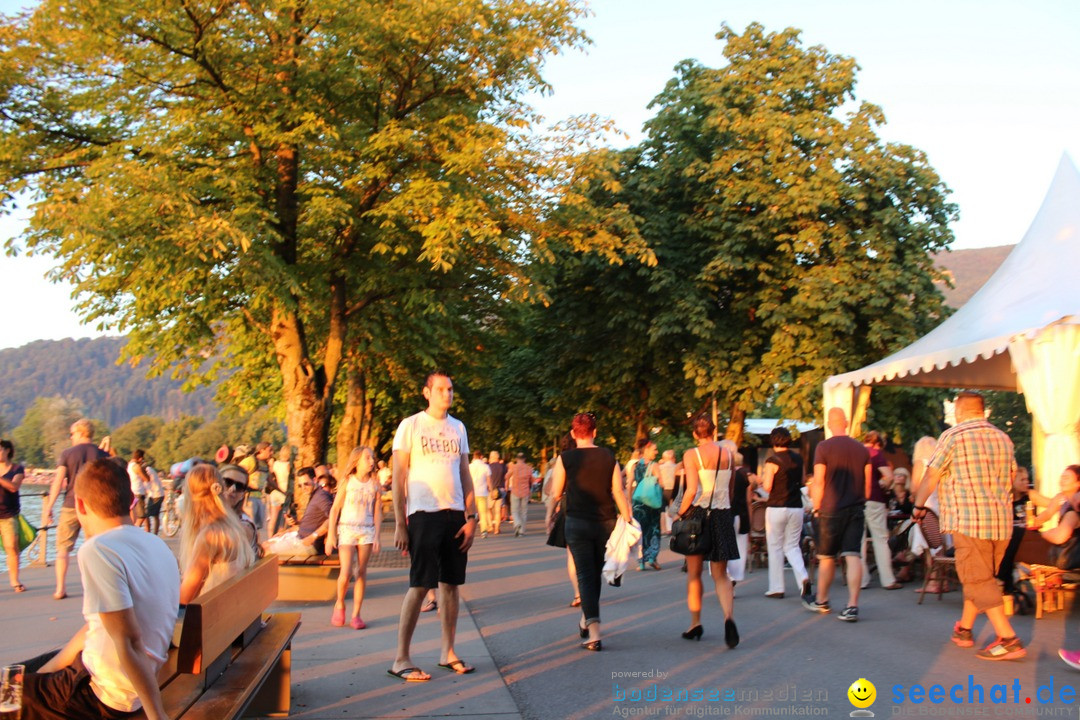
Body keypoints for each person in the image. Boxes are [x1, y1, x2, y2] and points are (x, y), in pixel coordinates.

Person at [22, 459, 179, 720]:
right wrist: (46, 671)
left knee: (9, 693)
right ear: (131, 499)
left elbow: (129, 640)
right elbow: (99, 627)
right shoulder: (157, 545)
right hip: (120, 678)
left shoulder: (98, 550)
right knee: (22, 672)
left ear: (80, 505)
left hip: (102, 695)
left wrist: (157, 715)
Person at [913, 391, 1023, 660]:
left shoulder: (953, 436)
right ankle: (964, 629)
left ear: (959, 411)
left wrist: (918, 505)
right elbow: (1012, 478)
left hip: (968, 521)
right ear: (983, 411)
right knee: (982, 578)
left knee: (976, 578)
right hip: (1000, 522)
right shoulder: (1003, 438)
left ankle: (1008, 639)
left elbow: (932, 474)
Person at [389, 371, 479, 681]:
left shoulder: (458, 428)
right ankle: (401, 658)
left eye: (451, 389)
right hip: (423, 514)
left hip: (454, 514)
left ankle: (447, 651)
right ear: (426, 392)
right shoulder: (410, 426)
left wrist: (472, 517)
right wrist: (400, 523)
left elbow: (465, 474)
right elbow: (398, 476)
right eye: (440, 389)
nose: (447, 394)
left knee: (451, 585)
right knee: (419, 584)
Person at [547, 412, 632, 652]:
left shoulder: (566, 458)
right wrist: (627, 517)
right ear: (595, 432)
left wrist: (548, 516)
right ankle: (587, 619)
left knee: (585, 574)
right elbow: (618, 491)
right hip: (604, 522)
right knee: (594, 574)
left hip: (576, 522)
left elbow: (556, 492)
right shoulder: (609, 456)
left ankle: (593, 632)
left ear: (574, 434)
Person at [678, 414, 741, 647]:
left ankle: (695, 623)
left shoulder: (691, 455)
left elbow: (691, 490)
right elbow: (731, 489)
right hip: (722, 514)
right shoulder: (728, 455)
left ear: (695, 434)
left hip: (699, 516)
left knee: (695, 573)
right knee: (720, 574)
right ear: (714, 432)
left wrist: (680, 513)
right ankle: (728, 618)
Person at [805, 407, 870, 622]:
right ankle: (852, 605)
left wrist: (815, 507)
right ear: (847, 422)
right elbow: (868, 488)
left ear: (829, 424)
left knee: (826, 558)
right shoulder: (862, 450)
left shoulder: (823, 447)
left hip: (830, 509)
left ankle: (822, 600)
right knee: (853, 555)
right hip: (856, 508)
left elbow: (819, 481)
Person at [40, 418, 108, 600]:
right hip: (94, 506)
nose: (71, 438)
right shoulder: (102, 454)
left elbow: (58, 482)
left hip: (71, 504)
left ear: (80, 433)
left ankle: (60, 588)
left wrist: (48, 507)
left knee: (63, 549)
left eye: (72, 434)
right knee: (94, 548)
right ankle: (94, 588)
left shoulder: (68, 453)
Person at [178, 464, 255, 604]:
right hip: (232, 610)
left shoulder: (210, 536)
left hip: (215, 618)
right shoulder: (234, 526)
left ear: (190, 495)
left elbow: (184, 598)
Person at [326, 446, 382, 630]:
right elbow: (335, 509)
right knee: (346, 571)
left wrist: (377, 536)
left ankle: (356, 614)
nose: (372, 461)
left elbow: (377, 511)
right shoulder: (347, 481)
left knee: (362, 571)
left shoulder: (375, 484)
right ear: (356, 461)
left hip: (366, 530)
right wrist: (331, 535)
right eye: (367, 458)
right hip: (347, 529)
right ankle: (340, 603)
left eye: (372, 457)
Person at [760, 427, 811, 601]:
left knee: (775, 547)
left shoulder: (772, 461)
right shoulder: (799, 459)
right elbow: (803, 481)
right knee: (792, 546)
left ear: (773, 440)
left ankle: (776, 587)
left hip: (776, 507)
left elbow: (767, 486)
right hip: (796, 507)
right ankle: (803, 578)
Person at [861, 431, 902, 590]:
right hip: (874, 499)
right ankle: (888, 579)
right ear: (878, 443)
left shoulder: (857, 451)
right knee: (880, 538)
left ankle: (861, 580)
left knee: (859, 540)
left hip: (856, 500)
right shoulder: (876, 454)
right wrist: (884, 485)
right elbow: (889, 477)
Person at [264, 467, 333, 556]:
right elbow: (313, 523)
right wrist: (292, 526)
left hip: (307, 544)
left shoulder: (321, 497)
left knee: (265, 551)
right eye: (300, 485)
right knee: (264, 545)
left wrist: (313, 536)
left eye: (306, 484)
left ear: (315, 480)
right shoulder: (315, 495)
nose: (303, 488)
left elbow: (333, 518)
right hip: (298, 537)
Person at [628, 439, 662, 570]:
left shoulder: (634, 466)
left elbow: (630, 483)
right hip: (652, 503)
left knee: (640, 530)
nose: (656, 452)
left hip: (638, 502)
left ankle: (641, 561)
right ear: (646, 450)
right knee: (653, 529)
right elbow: (661, 482)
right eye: (654, 449)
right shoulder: (654, 465)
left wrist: (629, 500)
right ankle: (652, 557)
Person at [0, 439, 26, 593]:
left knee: (11, 547)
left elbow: (14, 487)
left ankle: (15, 581)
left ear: (7, 450)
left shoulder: (17, 469)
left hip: (8, 514)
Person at [238, 442, 272, 539]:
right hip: (249, 499)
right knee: (249, 526)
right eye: (270, 450)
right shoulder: (250, 461)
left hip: (260, 498)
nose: (271, 453)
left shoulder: (265, 465)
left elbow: (270, 480)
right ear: (262, 450)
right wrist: (249, 485)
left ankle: (255, 549)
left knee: (257, 527)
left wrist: (283, 491)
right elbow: (238, 473)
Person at [269, 445, 292, 536]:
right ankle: (280, 535)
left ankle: (270, 537)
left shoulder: (275, 464)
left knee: (273, 518)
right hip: (284, 492)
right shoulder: (288, 465)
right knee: (285, 517)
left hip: (275, 492)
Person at [508, 452, 533, 536]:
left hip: (515, 491)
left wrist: (507, 485)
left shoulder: (513, 467)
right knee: (523, 512)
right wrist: (530, 490)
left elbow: (506, 476)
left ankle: (517, 523)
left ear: (516, 459)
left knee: (515, 511)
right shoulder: (528, 468)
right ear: (524, 459)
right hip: (525, 492)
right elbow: (532, 481)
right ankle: (521, 531)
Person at [469, 450, 492, 537]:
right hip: (482, 493)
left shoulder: (469, 466)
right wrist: (492, 490)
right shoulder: (486, 467)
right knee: (483, 513)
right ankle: (484, 531)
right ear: (481, 456)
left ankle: (470, 530)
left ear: (474, 457)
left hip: (471, 493)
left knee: (471, 513)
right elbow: (489, 481)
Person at [127, 449, 151, 531]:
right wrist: (143, 469)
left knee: (135, 516)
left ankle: (146, 534)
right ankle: (133, 532)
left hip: (131, 492)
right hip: (138, 493)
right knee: (142, 516)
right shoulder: (137, 467)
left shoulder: (128, 465)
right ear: (140, 458)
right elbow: (146, 479)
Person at [657, 450, 678, 535]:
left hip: (664, 490)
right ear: (673, 458)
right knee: (674, 509)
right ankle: (675, 528)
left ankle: (663, 529)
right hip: (674, 489)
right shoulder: (676, 467)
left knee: (662, 511)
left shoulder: (660, 467)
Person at [488, 451, 507, 533]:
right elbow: (506, 476)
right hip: (501, 489)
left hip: (491, 490)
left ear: (491, 457)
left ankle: (490, 526)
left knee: (488, 509)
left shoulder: (488, 467)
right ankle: (497, 529)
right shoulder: (503, 466)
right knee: (498, 510)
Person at [143, 464, 164, 535]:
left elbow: (146, 480)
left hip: (156, 495)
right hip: (154, 495)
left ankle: (150, 532)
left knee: (147, 514)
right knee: (155, 515)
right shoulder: (149, 469)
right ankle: (154, 533)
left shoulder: (147, 471)